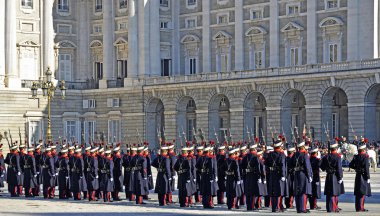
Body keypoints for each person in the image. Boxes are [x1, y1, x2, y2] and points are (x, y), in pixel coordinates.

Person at [320, 141, 345, 213]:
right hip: (335, 176)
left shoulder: (326, 156)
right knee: (334, 193)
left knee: (329, 192)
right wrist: (340, 177)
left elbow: (322, 167)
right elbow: (339, 168)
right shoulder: (337, 156)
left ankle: (329, 207)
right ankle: (333, 208)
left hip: (328, 175)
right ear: (336, 148)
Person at [289, 142, 312, 213]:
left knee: (297, 191)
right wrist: (309, 176)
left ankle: (298, 208)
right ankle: (302, 208)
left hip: (296, 173)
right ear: (303, 147)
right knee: (302, 191)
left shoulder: (294, 155)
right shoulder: (305, 155)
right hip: (303, 174)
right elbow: (307, 166)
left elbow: (290, 164)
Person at [264, 140, 286, 213]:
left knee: (273, 192)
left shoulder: (270, 154)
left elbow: (265, 164)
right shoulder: (281, 155)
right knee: (278, 192)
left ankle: (274, 208)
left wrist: (268, 171)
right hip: (278, 174)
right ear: (279, 147)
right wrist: (283, 175)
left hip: (271, 174)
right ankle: (277, 207)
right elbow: (282, 165)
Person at [241, 141, 264, 211]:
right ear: (254, 150)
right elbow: (258, 168)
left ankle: (248, 206)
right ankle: (252, 206)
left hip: (247, 175)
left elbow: (242, 166)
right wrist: (259, 177)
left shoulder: (245, 157)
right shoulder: (255, 157)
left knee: (248, 191)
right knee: (253, 192)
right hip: (253, 176)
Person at [349, 143, 371, 212]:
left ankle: (357, 207)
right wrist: (368, 177)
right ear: (363, 150)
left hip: (358, 175)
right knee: (362, 192)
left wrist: (356, 168)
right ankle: (360, 208)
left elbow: (351, 165)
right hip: (363, 175)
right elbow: (366, 168)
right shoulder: (365, 157)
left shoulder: (356, 156)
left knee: (358, 192)